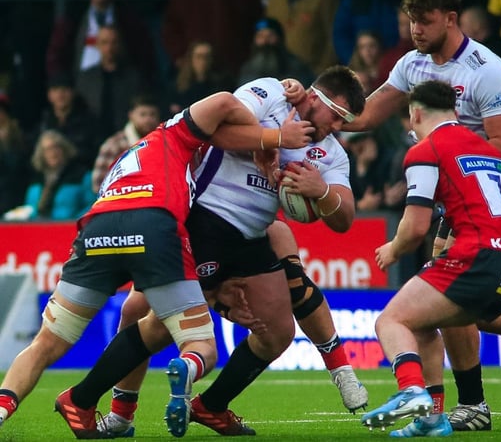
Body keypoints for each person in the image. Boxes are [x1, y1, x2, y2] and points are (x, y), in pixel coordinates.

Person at [344, 0, 501, 432]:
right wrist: (317, 120)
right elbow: (370, 113)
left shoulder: (485, 69)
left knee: (449, 289)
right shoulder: (412, 64)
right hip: (454, 194)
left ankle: (467, 400)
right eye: (410, 20)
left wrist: (449, 148)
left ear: (451, 19)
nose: (415, 30)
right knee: (451, 295)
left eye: (425, 21)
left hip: (496, 192)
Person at [0, 90, 315, 437]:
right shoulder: (177, 132)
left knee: (47, 342)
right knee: (200, 344)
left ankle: (9, 407)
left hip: (98, 228)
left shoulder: (126, 157)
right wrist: (276, 138)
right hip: (153, 226)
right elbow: (224, 100)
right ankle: (180, 370)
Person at [93, 67, 369, 437]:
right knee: (138, 310)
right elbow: (215, 130)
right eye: (337, 115)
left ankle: (210, 405)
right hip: (199, 219)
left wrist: (320, 192)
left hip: (251, 236)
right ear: (316, 97)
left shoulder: (331, 155)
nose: (337, 126)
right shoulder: (272, 93)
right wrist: (272, 139)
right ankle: (118, 412)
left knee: (279, 328)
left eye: (346, 121)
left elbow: (344, 217)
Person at [360, 79, 501, 437]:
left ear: (417, 112)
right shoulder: (486, 148)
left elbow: (416, 226)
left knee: (390, 321)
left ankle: (410, 390)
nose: (409, 126)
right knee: (420, 323)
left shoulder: (425, 149)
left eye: (410, 118)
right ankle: (432, 417)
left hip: (478, 258)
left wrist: (392, 249)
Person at [45, 0, 155, 84]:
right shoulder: (74, 19)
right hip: (81, 84)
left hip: (121, 85)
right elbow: (56, 54)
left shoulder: (128, 19)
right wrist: (62, 82)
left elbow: (144, 54)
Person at [3, 130, 94, 221]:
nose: (52, 153)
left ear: (64, 149)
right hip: (38, 229)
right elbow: (29, 210)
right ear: (41, 154)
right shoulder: (36, 181)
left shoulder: (82, 176)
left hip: (69, 228)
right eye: (47, 149)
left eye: (55, 147)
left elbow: (90, 206)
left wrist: (76, 222)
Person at [75, 25, 147, 137]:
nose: (109, 48)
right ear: (97, 45)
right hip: (92, 138)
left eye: (114, 42)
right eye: (104, 42)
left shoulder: (134, 77)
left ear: (120, 45)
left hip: (126, 137)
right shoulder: (86, 79)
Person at [90, 95, 161, 193]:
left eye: (152, 115)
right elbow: (98, 184)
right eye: (143, 115)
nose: (148, 120)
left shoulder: (165, 144)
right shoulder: (114, 145)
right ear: (131, 115)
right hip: (120, 201)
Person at [237, 18, 315, 88]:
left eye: (270, 36)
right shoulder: (247, 69)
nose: (265, 41)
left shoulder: (297, 67)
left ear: (279, 39)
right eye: (260, 36)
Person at [167, 41, 232, 116]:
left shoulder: (221, 85)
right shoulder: (178, 86)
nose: (203, 61)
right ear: (191, 59)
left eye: (206, 57)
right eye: (199, 56)